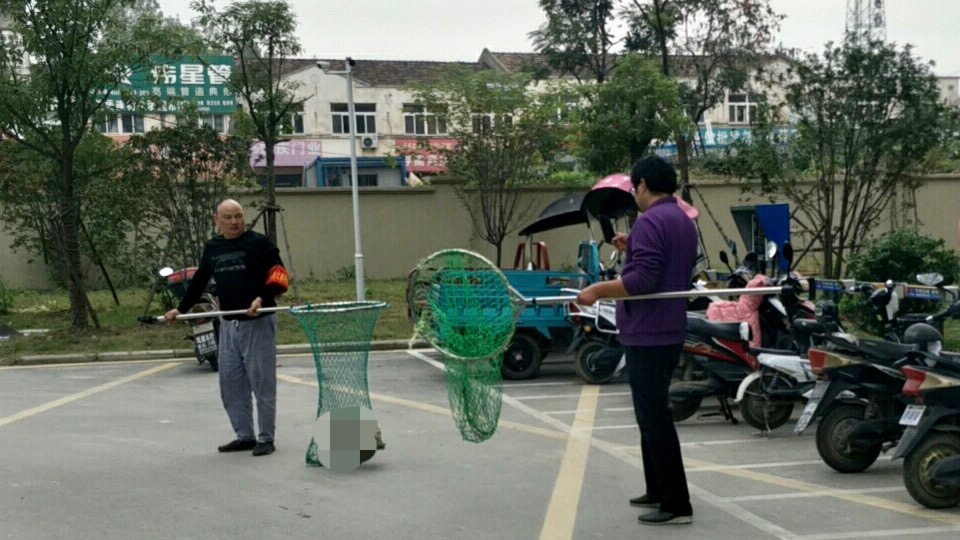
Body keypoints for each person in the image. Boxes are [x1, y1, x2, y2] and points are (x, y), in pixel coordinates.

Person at [576, 156, 696, 525]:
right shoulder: (680, 219)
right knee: (650, 415)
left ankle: (675, 503)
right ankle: (657, 488)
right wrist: (633, 247)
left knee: (654, 417)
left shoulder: (650, 222)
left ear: (643, 185)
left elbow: (643, 282)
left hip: (649, 332)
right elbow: (665, 266)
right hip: (667, 329)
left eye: (634, 188)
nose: (634, 194)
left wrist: (597, 290)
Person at [166, 199, 289, 457]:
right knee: (231, 383)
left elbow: (279, 275)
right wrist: (181, 308)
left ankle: (266, 438)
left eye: (238, 216)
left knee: (262, 382)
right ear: (216, 220)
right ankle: (244, 436)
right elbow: (199, 281)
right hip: (229, 324)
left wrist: (262, 299)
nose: (234, 222)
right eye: (228, 217)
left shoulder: (259, 243)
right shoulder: (213, 248)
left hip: (258, 323)